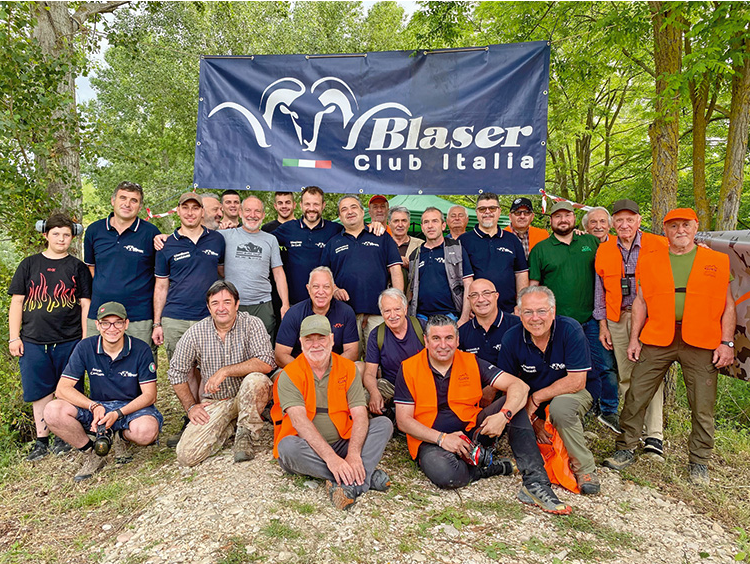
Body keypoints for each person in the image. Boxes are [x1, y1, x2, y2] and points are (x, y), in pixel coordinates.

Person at [604, 208, 735, 485]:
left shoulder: (717, 260)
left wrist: (726, 342)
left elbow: (729, 305)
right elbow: (640, 301)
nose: (680, 231)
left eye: (685, 225)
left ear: (696, 227)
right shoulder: (650, 261)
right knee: (636, 393)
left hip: (702, 340)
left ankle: (699, 461)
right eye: (673, 226)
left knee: (702, 404)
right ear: (665, 231)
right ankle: (625, 448)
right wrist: (634, 338)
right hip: (657, 336)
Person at [395, 315, 572, 514]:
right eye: (436, 338)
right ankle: (487, 468)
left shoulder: (471, 361)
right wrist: (441, 439)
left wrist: (504, 415)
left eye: (449, 338)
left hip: (473, 432)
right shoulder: (409, 368)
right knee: (447, 476)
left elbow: (519, 386)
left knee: (515, 401)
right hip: (431, 438)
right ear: (426, 341)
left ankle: (535, 482)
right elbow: (403, 421)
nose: (443, 345)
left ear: (458, 340)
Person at [272, 315, 393, 510]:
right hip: (307, 447)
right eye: (309, 339)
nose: (316, 345)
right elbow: (300, 422)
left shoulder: (347, 368)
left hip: (343, 442)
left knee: (383, 425)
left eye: (321, 338)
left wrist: (353, 453)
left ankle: (349, 480)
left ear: (332, 340)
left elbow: (360, 413)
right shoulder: (290, 374)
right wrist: (331, 459)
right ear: (301, 342)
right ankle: (361, 476)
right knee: (287, 448)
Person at [497, 286, 601, 495]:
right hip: (535, 400)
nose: (535, 318)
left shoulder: (570, 330)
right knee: (511, 406)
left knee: (560, 409)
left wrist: (536, 399)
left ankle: (585, 469)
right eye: (528, 312)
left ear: (553, 312)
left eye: (542, 311)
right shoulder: (511, 338)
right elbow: (507, 385)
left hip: (573, 393)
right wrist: (534, 421)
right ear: (519, 313)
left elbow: (577, 381)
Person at [44, 302, 162, 482]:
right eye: (106, 323)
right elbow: (62, 389)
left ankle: (121, 437)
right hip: (99, 405)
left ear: (126, 324)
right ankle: (93, 451)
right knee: (52, 411)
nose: (111, 328)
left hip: (130, 407)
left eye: (118, 322)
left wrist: (118, 413)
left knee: (146, 431)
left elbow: (149, 395)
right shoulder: (85, 347)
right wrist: (93, 406)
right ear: (98, 325)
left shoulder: (141, 349)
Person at [9, 213, 92, 461]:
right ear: (46, 235)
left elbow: (85, 305)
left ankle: (65, 436)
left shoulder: (78, 267)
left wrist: (85, 341)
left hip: (70, 339)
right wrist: (15, 338)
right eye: (56, 233)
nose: (61, 238)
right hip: (34, 340)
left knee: (69, 388)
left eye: (66, 234)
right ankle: (41, 440)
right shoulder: (29, 264)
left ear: (72, 237)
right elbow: (17, 302)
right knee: (39, 391)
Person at [167, 280, 276, 467]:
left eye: (227, 302)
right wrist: (191, 407)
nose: (221, 308)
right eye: (215, 303)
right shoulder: (196, 332)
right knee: (186, 455)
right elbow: (176, 372)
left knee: (256, 380)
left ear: (237, 304)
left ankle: (246, 433)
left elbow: (266, 362)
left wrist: (225, 371)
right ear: (209, 307)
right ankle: (228, 426)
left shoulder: (252, 324)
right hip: (218, 401)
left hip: (247, 394)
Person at [594, 199, 665, 443]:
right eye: (620, 220)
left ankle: (654, 434)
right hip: (617, 319)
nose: (625, 224)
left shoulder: (659, 244)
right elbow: (599, 291)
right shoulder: (604, 249)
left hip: (651, 319)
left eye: (630, 219)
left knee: (651, 375)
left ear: (638, 220)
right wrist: (603, 325)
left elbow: (687, 252)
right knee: (625, 376)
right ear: (613, 223)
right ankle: (635, 428)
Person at [528, 200, 603, 423]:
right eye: (557, 216)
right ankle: (556, 411)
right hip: (557, 322)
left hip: (589, 318)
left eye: (567, 216)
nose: (563, 220)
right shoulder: (541, 249)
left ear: (574, 218)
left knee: (596, 367)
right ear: (550, 221)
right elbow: (534, 285)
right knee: (560, 368)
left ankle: (594, 409)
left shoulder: (590, 241)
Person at [84, 181, 161, 359]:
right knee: (98, 366)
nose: (127, 204)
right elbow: (91, 268)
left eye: (134, 200)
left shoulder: (150, 233)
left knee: (140, 367)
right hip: (100, 314)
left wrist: (157, 322)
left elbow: (160, 278)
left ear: (140, 206)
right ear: (113, 200)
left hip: (139, 316)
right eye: (123, 198)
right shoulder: (95, 230)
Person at [323, 196, 403, 356]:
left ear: (362, 211)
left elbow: (395, 270)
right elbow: (323, 277)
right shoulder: (333, 243)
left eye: (353, 207)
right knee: (348, 362)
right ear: (340, 216)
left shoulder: (381, 236)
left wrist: (398, 302)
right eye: (344, 209)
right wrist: (335, 289)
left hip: (378, 313)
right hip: (345, 314)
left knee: (381, 359)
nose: (349, 212)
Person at [220, 196, 290, 337]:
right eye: (248, 210)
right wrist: (164, 237)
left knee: (264, 351)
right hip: (232, 304)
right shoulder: (224, 235)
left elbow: (278, 273)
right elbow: (198, 236)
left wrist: (285, 304)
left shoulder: (270, 239)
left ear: (263, 215)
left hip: (262, 305)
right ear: (240, 212)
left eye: (257, 211)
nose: (252, 215)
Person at [580, 205, 620, 431]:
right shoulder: (581, 244)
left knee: (606, 364)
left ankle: (609, 409)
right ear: (585, 227)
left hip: (613, 314)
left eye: (602, 222)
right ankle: (590, 404)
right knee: (586, 364)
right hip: (588, 313)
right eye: (593, 222)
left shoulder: (618, 245)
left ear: (609, 225)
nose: (597, 226)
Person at [272, 186, 344, 306]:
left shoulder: (335, 229)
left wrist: (375, 226)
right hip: (294, 303)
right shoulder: (288, 228)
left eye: (316, 204)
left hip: (325, 302)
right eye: (307, 204)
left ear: (323, 205)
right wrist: (234, 227)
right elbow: (262, 240)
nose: (311, 209)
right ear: (300, 205)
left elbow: (356, 231)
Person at [275, 267, 359, 368]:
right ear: (308, 289)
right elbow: (280, 355)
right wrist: (308, 372)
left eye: (326, 287)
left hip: (335, 369)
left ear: (333, 289)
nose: (321, 292)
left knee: (360, 367)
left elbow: (352, 352)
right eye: (316, 287)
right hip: (300, 370)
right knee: (278, 378)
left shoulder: (346, 312)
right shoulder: (294, 313)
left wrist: (327, 371)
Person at [460, 192, 529, 314]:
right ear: (476, 213)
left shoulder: (512, 240)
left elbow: (521, 275)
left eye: (492, 208)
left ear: (499, 211)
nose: (487, 212)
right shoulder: (463, 241)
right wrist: (467, 308)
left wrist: (521, 305)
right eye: (482, 209)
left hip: (509, 312)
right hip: (477, 312)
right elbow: (459, 279)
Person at [458, 278, 522, 407]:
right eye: (474, 295)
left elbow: (525, 364)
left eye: (486, 293)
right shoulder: (462, 333)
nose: (481, 299)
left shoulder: (517, 325)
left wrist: (493, 388)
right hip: (476, 399)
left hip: (513, 395)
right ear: (468, 300)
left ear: (496, 296)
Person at [363, 288, 425, 416]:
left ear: (405, 309)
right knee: (363, 399)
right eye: (387, 311)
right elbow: (369, 373)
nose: (392, 315)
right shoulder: (376, 334)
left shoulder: (422, 327)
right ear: (381, 313)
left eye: (397, 309)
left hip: (422, 385)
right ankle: (385, 419)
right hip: (392, 387)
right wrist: (374, 393)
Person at [407, 207, 473, 326]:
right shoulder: (415, 255)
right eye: (426, 222)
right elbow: (411, 290)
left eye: (435, 221)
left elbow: (468, 283)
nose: (430, 226)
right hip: (421, 318)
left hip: (450, 316)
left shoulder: (457, 249)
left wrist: (464, 317)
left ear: (443, 226)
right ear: (422, 227)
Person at [389, 206, 423, 290]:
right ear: (389, 223)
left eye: (404, 221)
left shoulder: (421, 245)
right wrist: (397, 261)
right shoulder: (382, 244)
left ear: (409, 224)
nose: (400, 225)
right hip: (385, 297)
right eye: (396, 221)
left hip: (413, 298)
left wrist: (410, 265)